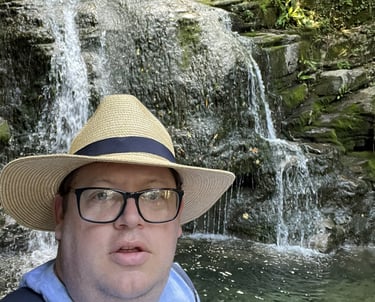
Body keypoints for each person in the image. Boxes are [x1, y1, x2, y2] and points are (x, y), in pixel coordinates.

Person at [0, 94, 235, 302]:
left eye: (154, 196)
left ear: (178, 218)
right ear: (61, 214)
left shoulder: (184, 288)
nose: (131, 218)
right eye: (102, 195)